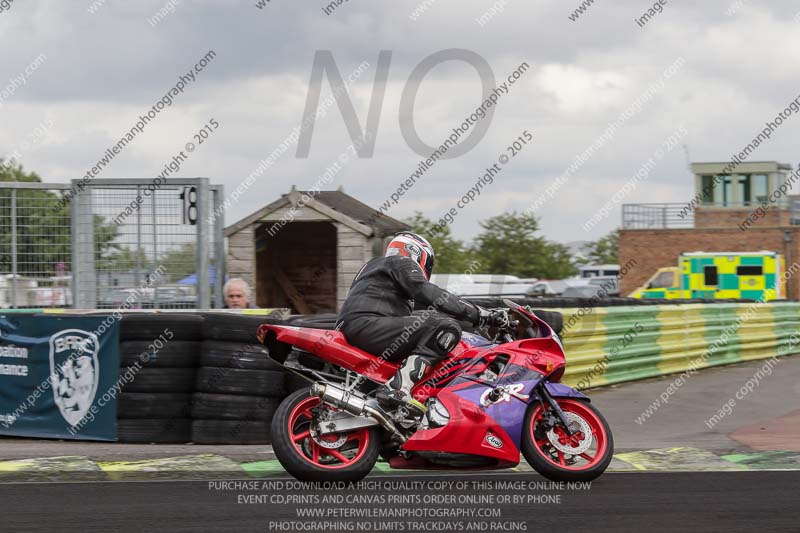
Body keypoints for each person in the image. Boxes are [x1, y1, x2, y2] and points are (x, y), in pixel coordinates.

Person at [336, 232, 499, 416]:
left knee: (432, 322)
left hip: (361, 326)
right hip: (368, 325)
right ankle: (397, 388)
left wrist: (475, 315)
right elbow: (431, 295)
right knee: (446, 327)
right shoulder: (400, 262)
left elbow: (430, 309)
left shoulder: (378, 272)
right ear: (416, 252)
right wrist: (479, 315)